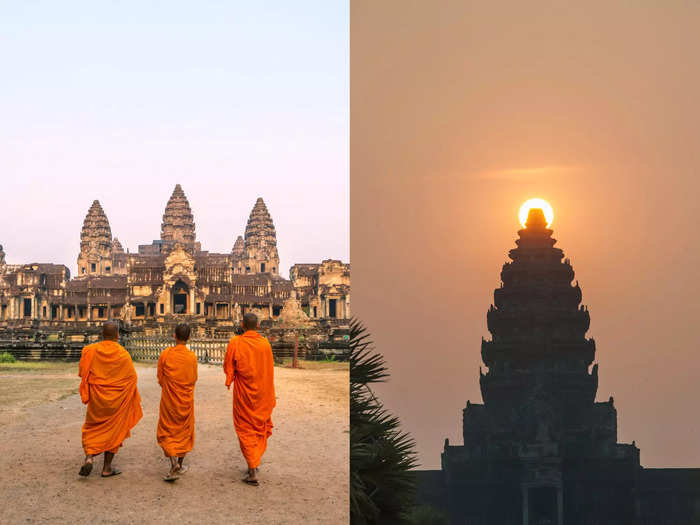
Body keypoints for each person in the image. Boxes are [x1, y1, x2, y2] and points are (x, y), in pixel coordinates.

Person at [78, 321, 143, 477]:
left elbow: (83, 372)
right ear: (117, 335)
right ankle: (107, 468)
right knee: (115, 430)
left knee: (93, 428)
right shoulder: (123, 354)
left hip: (97, 399)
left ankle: (89, 458)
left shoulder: (90, 351)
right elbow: (132, 378)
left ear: (102, 334)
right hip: (117, 401)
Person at [223, 312, 276, 486]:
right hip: (261, 393)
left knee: (245, 429)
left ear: (242, 325)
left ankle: (252, 469)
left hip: (244, 394)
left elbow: (228, 366)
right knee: (257, 427)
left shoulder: (235, 342)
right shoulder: (265, 344)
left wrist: (230, 377)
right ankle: (253, 462)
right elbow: (268, 369)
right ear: (258, 326)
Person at [157, 323, 198, 481]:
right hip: (185, 399)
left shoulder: (166, 354)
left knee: (167, 430)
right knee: (184, 431)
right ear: (189, 337)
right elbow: (193, 379)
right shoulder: (192, 357)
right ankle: (179, 464)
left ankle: (173, 461)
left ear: (174, 335)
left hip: (169, 400)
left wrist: (168, 387)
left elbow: (160, 378)